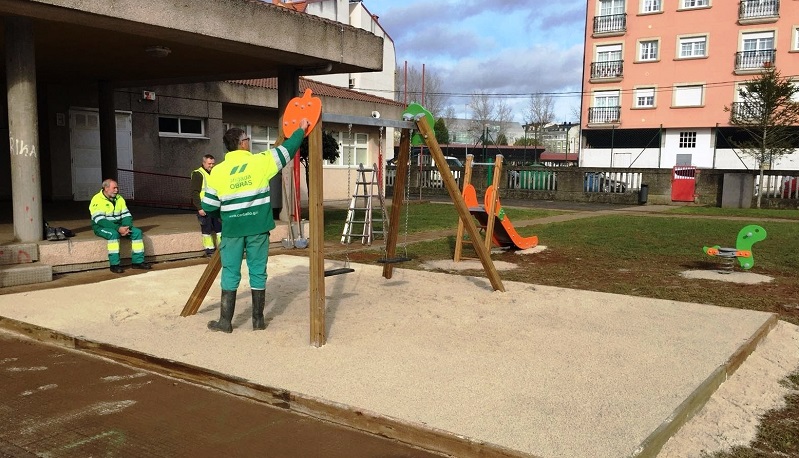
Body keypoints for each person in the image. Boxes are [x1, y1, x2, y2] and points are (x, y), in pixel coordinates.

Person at [202, 119, 309, 333]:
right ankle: (258, 320)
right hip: (258, 228)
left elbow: (209, 205)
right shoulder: (262, 161)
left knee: (230, 272)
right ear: (243, 143)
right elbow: (288, 149)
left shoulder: (218, 172)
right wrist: (301, 130)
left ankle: (225, 322)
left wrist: (224, 216)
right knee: (258, 271)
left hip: (232, 230)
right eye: (248, 139)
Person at [89, 179, 152, 273]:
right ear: (106, 188)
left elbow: (126, 215)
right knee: (113, 234)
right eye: (114, 188)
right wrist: (118, 229)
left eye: (117, 188)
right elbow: (100, 220)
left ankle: (138, 262)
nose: (116, 190)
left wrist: (126, 227)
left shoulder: (119, 198)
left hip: (120, 226)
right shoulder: (96, 199)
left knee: (137, 232)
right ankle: (114, 265)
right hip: (101, 227)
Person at [190, 154, 222, 257]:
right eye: (209, 163)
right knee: (207, 230)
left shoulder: (214, 173)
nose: (212, 166)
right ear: (203, 163)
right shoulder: (198, 174)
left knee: (219, 229)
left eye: (213, 163)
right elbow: (195, 192)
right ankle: (209, 251)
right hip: (204, 207)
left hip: (215, 207)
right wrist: (199, 208)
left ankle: (223, 248)